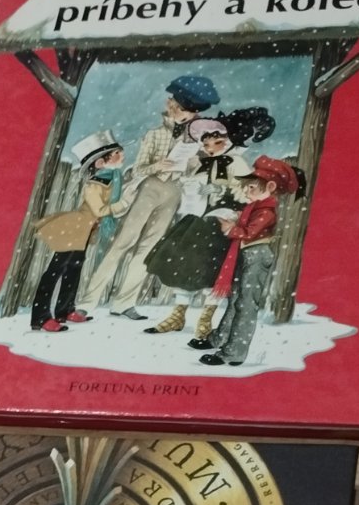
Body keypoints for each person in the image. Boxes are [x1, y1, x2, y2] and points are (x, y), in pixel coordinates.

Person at [78, 74, 220, 320]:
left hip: (174, 192)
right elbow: (138, 170)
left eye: (192, 114)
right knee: (122, 243)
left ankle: (124, 303)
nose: (188, 117)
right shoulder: (155, 134)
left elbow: (194, 171)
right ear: (171, 105)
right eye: (183, 111)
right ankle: (88, 302)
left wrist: (196, 162)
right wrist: (157, 166)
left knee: (147, 249)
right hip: (149, 188)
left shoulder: (198, 140)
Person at [140, 108, 274, 338]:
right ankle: (178, 314)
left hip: (222, 219)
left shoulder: (236, 162)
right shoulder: (201, 162)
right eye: (207, 143)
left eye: (217, 142)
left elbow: (246, 192)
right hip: (197, 217)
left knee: (212, 270)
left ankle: (206, 317)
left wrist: (223, 191)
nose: (211, 148)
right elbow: (191, 183)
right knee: (182, 262)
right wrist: (190, 186)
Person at [195, 156, 303, 366]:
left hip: (256, 256)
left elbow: (250, 232)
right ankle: (219, 339)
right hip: (245, 254)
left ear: (270, 187)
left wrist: (231, 229)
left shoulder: (266, 211)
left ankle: (234, 352)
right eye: (246, 186)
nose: (246, 191)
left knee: (246, 304)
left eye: (251, 187)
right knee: (235, 299)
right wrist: (237, 218)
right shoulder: (255, 207)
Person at [29, 132, 131, 333]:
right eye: (117, 154)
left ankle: (65, 310)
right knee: (56, 270)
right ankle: (40, 317)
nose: (123, 156)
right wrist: (123, 204)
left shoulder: (113, 181)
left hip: (86, 231)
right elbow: (99, 210)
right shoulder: (94, 185)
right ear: (101, 163)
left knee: (74, 269)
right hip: (75, 229)